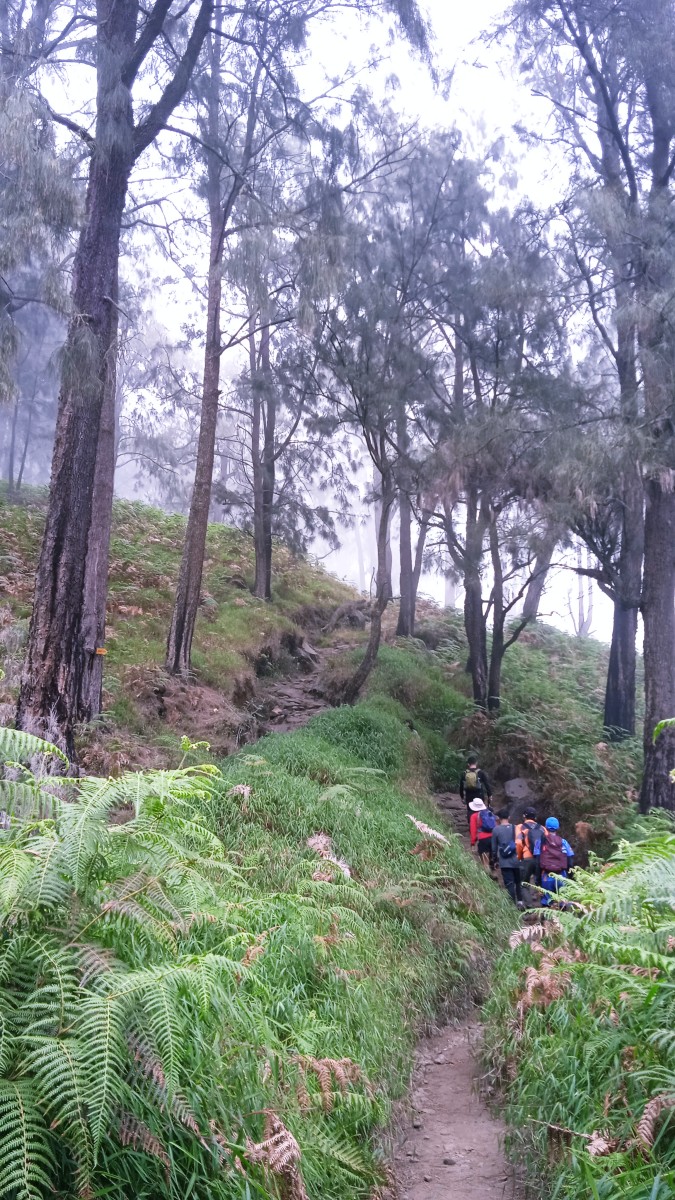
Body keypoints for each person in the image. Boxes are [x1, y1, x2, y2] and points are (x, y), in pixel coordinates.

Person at [491, 808, 524, 908]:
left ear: (499, 818)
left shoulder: (496, 830)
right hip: (518, 859)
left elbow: (493, 848)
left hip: (505, 861)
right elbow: (521, 842)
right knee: (518, 882)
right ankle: (521, 902)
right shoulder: (516, 828)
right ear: (509, 817)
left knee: (509, 883)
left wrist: (495, 860)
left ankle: (512, 905)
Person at [538, 817, 574, 907]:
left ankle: (546, 920)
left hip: (546, 876)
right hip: (561, 876)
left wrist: (537, 880)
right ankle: (562, 920)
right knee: (563, 901)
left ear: (545, 827)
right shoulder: (563, 842)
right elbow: (570, 860)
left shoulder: (540, 842)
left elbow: (537, 862)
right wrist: (571, 877)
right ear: (558, 828)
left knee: (546, 902)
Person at [516, 806, 544, 894]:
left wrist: (519, 856)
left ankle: (528, 903)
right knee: (539, 880)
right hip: (540, 858)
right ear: (535, 817)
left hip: (527, 857)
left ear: (524, 816)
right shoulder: (542, 828)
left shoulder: (520, 827)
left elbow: (519, 843)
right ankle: (539, 899)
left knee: (524, 882)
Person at [459, 755, 492, 825]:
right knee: (480, 810)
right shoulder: (481, 773)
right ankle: (480, 824)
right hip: (479, 795)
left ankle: (471, 825)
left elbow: (461, 787)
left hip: (469, 795)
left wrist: (462, 797)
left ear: (468, 764)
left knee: (470, 810)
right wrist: (490, 795)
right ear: (476, 763)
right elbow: (487, 785)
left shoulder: (464, 773)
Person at [468, 798, 496, 871]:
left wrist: (472, 843)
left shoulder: (474, 816)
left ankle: (487, 877)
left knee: (485, 860)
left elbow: (473, 830)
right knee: (492, 857)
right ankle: (494, 873)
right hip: (493, 837)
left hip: (483, 839)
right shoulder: (490, 813)